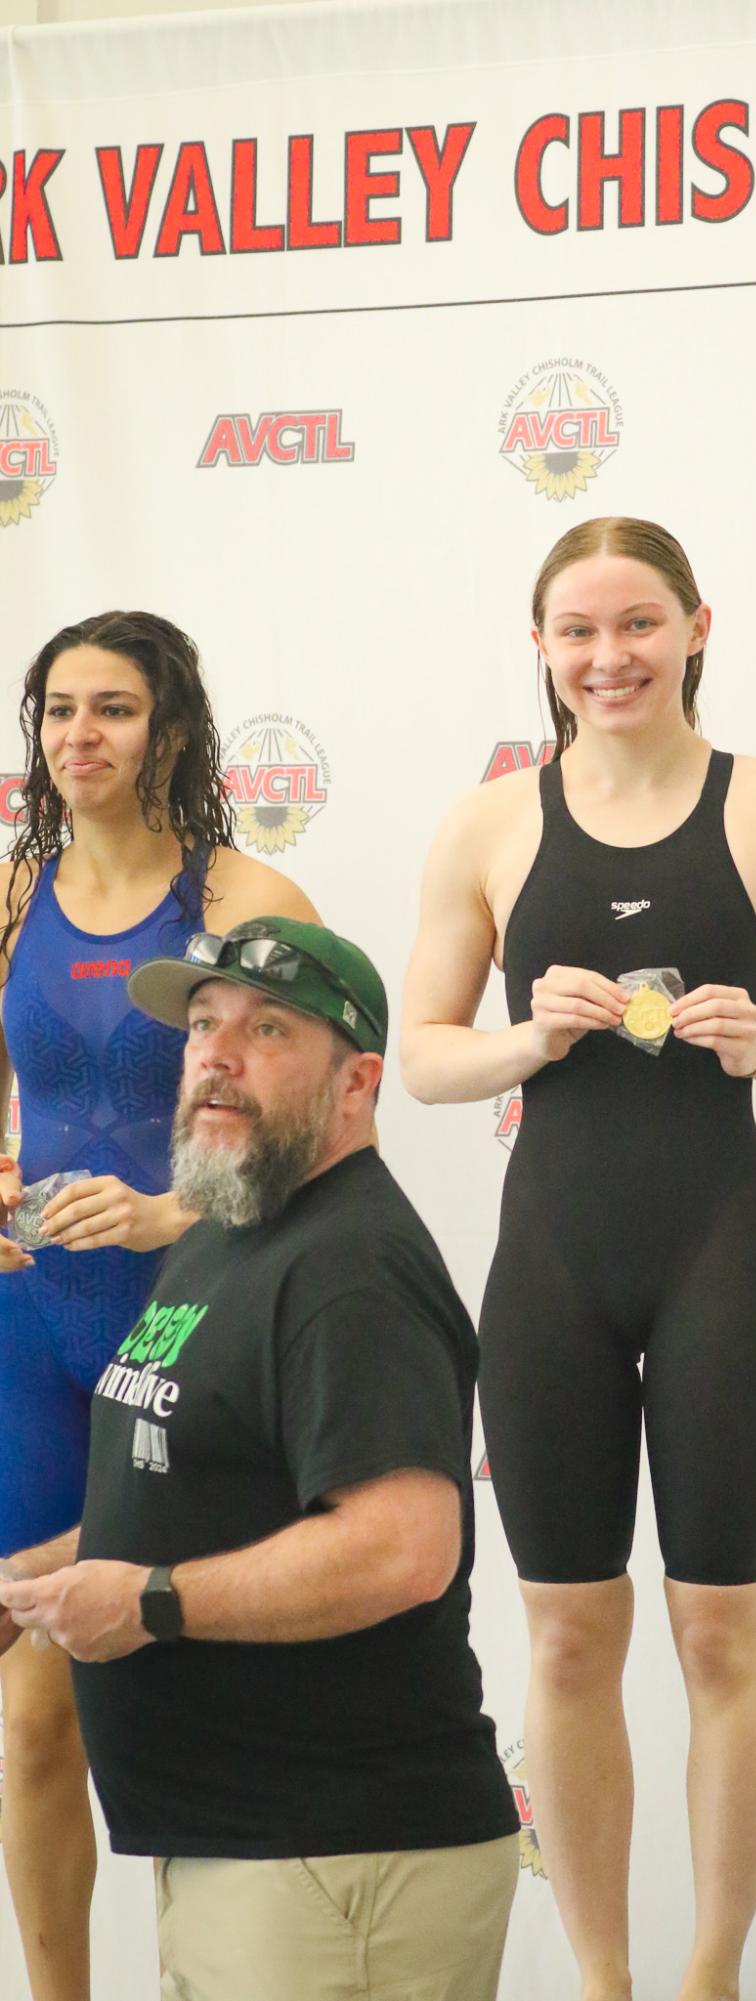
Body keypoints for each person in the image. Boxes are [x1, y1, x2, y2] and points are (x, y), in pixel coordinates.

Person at [400, 518, 756, 2001]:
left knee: (722, 1634)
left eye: (637, 625)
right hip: (551, 1270)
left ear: (694, 627)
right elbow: (419, 1058)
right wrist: (532, 1036)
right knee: (563, 1636)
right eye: (577, 631)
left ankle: (709, 1973)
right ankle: (598, 1977)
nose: (609, 657)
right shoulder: (489, 826)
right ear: (539, 646)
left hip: (721, 1255)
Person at [0, 917, 520, 2001]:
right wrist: (37, 1584)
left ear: (356, 1082)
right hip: (247, 1855)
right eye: (201, 1027)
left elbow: (402, 1549)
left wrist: (147, 1600)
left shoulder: (351, 1266)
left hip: (339, 1864)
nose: (217, 1057)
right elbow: (190, 1499)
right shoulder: (224, 1232)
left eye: (268, 1029)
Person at [0, 611, 319, 2001]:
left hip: (181, 1324)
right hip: (26, 1335)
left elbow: (311, 1136)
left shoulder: (250, 903)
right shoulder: (11, 891)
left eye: (115, 710)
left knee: (193, 1689)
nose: (83, 737)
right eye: (61, 710)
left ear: (171, 729)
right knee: (26, 1720)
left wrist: (166, 1213)